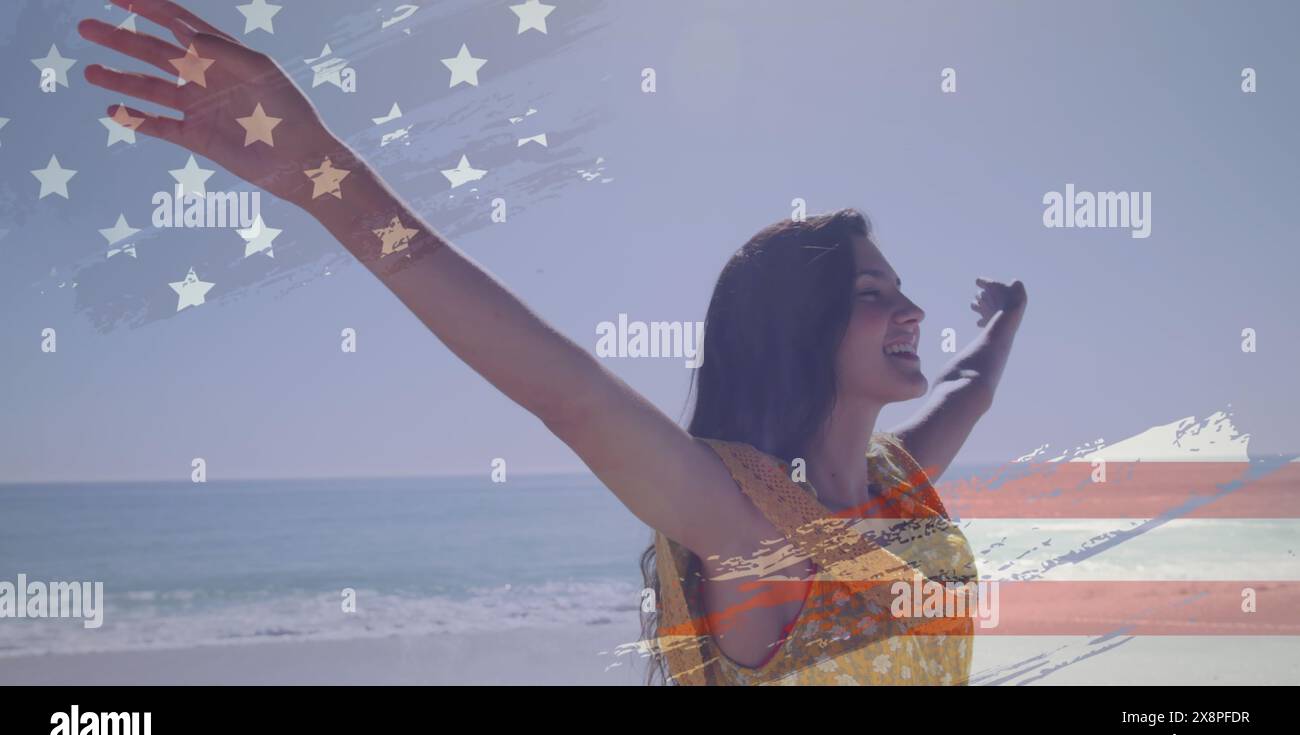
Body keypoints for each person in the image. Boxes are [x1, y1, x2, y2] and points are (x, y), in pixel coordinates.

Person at [78, 0, 1028, 686]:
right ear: (801, 328)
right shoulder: (746, 523)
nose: (910, 310)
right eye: (874, 293)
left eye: (903, 289)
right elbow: (566, 394)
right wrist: (320, 174)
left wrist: (1008, 319)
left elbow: (971, 392)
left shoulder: (899, 485)